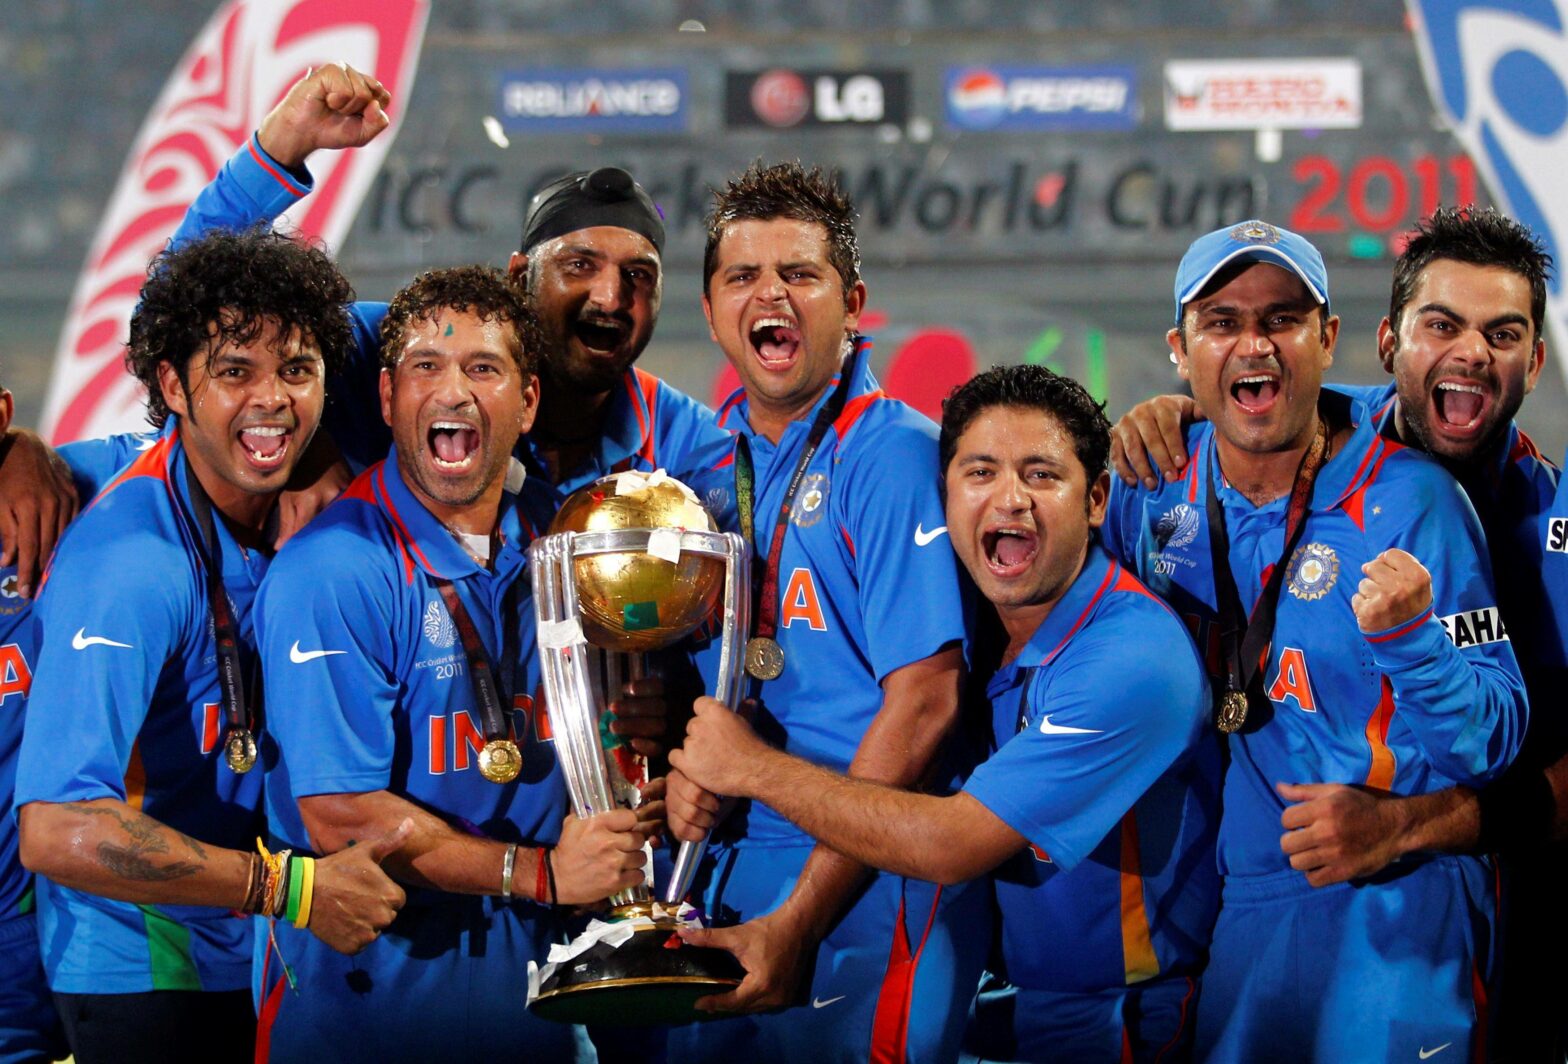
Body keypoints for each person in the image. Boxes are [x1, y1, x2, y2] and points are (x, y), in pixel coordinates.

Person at [1109, 207, 1566, 1059]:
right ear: (1387, 344)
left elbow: (1510, 754)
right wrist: (1173, 415)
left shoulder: (1472, 512)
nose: (1471, 353)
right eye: (1443, 326)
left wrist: (1404, 823)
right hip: (1243, 906)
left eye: (1501, 334)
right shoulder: (1172, 478)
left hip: (1441, 902)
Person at [668, 364, 1220, 1063]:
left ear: (1095, 500)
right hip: (996, 1006)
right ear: (946, 496)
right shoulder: (976, 625)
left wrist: (750, 769)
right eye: (981, 472)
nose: (1011, 499)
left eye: (1042, 475)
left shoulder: (1133, 657)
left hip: (1117, 1019)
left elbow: (950, 845)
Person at [14, 228, 411, 1064]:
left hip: (266, 946)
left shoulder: (304, 503)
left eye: (296, 370)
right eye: (234, 372)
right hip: (148, 965)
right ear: (173, 385)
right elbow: (55, 828)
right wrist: (288, 888)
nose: (272, 399)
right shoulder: (129, 562)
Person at [249, 265, 655, 1062]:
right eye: (426, 367)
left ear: (528, 401)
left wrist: (641, 746)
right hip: (366, 1018)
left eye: (483, 367)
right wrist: (541, 874)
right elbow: (339, 814)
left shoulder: (564, 546)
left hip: (539, 1014)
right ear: (387, 397)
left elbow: (598, 732)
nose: (454, 392)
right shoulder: (333, 570)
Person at [658, 162, 988, 1063]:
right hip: (729, 865)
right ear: (712, 311)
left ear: (853, 305)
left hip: (866, 882)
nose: (771, 294)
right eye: (743, 276)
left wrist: (801, 917)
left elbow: (926, 701)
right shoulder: (705, 470)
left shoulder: (894, 458)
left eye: (799, 274)